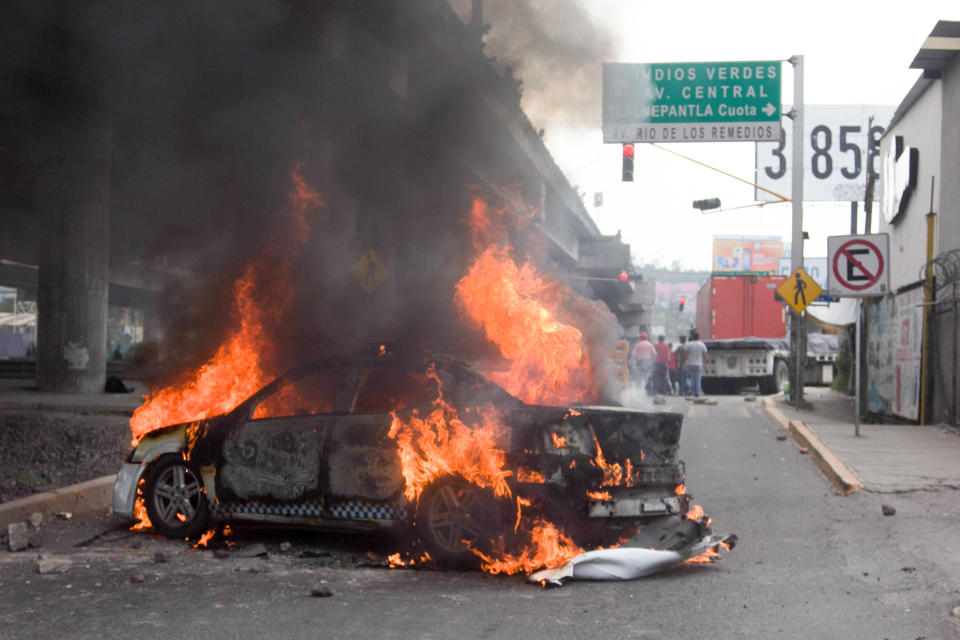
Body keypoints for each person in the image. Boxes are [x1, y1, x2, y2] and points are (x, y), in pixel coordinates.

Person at [684, 330, 708, 397]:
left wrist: (685, 363)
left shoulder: (689, 345)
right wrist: (705, 364)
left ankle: (692, 392)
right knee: (698, 379)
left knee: (691, 378)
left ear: (692, 337)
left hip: (690, 364)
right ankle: (697, 392)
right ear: (699, 337)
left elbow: (686, 355)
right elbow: (705, 355)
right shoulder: (702, 345)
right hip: (699, 364)